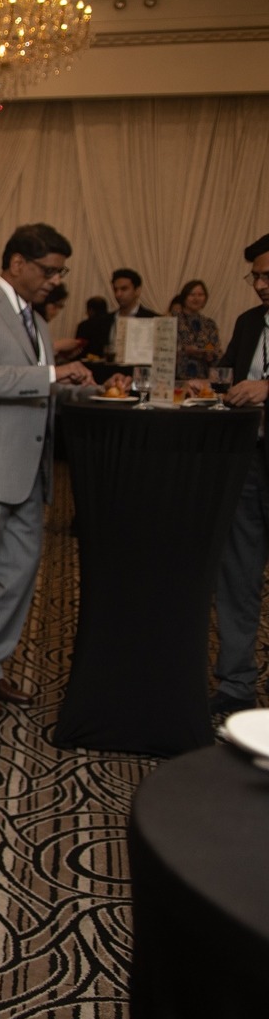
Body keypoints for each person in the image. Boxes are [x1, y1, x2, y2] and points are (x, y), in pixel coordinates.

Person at [0, 223, 110, 717]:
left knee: (18, 575)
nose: (55, 280)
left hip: (27, 469)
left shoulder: (36, 320)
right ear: (17, 264)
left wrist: (83, 386)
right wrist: (54, 373)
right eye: (50, 270)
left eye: (61, 273)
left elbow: (37, 386)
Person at [207, 233, 269, 717]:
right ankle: (235, 682)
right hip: (249, 461)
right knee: (238, 573)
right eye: (256, 277)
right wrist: (205, 382)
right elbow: (227, 373)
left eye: (268, 276)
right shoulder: (249, 322)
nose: (261, 285)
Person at [173, 279, 220, 380]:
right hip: (176, 379)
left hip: (202, 379)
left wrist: (210, 355)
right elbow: (162, 350)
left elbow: (217, 352)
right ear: (184, 297)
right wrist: (184, 350)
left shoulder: (209, 324)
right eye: (192, 294)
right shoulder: (172, 320)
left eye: (200, 295)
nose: (196, 298)